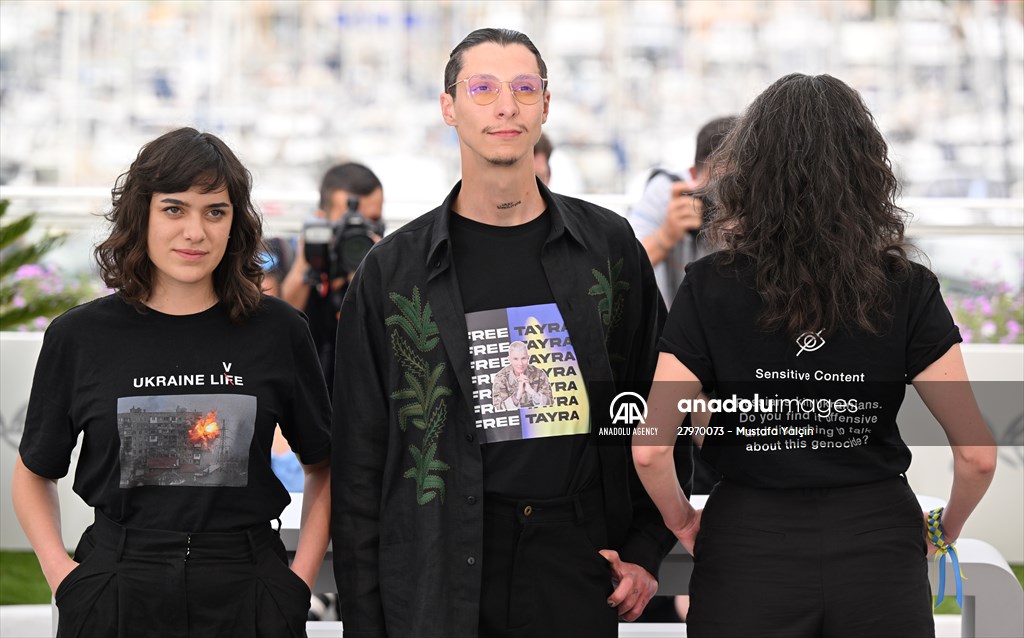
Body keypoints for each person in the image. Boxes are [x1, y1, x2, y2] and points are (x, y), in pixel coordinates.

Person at [331, 27, 681, 638]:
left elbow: (665, 398)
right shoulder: (392, 272)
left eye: (523, 88)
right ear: (449, 107)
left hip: (576, 563)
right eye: (483, 88)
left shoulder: (608, 248)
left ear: (546, 104)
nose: (506, 106)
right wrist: (364, 618)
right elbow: (360, 462)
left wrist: (647, 548)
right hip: (441, 566)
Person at [633, 74, 997, 637]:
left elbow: (651, 448)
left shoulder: (708, 285)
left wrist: (683, 522)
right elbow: (977, 456)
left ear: (751, 173)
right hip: (878, 549)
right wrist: (943, 531)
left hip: (748, 548)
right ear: (867, 169)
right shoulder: (907, 287)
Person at [12, 127, 332, 638]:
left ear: (235, 223)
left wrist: (297, 586)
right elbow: (33, 472)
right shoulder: (79, 336)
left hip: (248, 588)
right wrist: (65, 581)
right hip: (117, 587)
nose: (195, 232)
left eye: (215, 212)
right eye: (174, 209)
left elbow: (324, 465)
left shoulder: (279, 331)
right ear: (141, 215)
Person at [281, 162, 384, 390]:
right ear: (322, 220)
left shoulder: (387, 265)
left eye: (373, 222)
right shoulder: (293, 258)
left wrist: (375, 274)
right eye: (347, 223)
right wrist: (307, 262)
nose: (361, 234)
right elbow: (277, 330)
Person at [627, 116, 736, 306]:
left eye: (737, 185)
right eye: (717, 184)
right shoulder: (668, 193)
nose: (724, 201)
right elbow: (626, 269)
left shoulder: (761, 204)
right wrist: (666, 235)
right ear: (692, 175)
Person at [490, 340, 553, 409]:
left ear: (528, 358)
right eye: (515, 359)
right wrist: (518, 394)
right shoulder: (500, 377)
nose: (520, 363)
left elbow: (550, 404)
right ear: (509, 359)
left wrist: (532, 392)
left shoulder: (539, 374)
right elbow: (498, 409)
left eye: (523, 358)